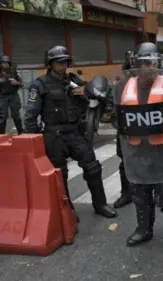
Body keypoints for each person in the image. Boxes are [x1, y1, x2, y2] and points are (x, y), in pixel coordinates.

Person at [23, 46, 116, 219]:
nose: (63, 64)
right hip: (53, 135)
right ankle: (67, 210)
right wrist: (35, 140)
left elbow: (93, 101)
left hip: (74, 132)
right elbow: (30, 116)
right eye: (59, 62)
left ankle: (100, 204)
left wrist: (85, 94)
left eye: (65, 61)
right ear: (50, 64)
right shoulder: (40, 84)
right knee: (60, 174)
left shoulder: (73, 81)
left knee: (92, 167)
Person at [113, 42, 163, 253]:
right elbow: (115, 114)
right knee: (140, 194)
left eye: (153, 63)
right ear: (137, 64)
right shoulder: (123, 86)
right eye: (145, 63)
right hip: (137, 151)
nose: (150, 67)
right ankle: (144, 229)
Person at [112, 52, 133, 209]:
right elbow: (112, 109)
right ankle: (126, 193)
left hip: (148, 128)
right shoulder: (120, 85)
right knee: (125, 163)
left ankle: (158, 194)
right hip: (127, 130)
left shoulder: (153, 83)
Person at [0, 55, 23, 134]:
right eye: (3, 63)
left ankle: (21, 133)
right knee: (3, 115)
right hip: (2, 96)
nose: (5, 64)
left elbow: (21, 83)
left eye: (7, 63)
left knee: (16, 114)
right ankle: (1, 135)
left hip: (13, 95)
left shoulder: (13, 72)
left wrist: (16, 83)